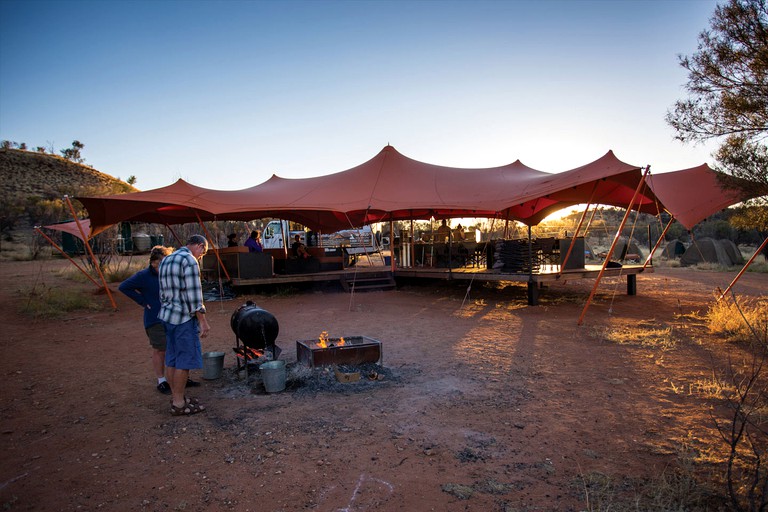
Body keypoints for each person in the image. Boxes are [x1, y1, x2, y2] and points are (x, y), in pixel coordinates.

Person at [119, 245, 204, 395]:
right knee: (161, 349)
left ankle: (182, 381)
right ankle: (161, 380)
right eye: (160, 264)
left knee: (176, 350)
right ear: (153, 263)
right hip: (155, 319)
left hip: (171, 317)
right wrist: (143, 301)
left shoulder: (169, 272)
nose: (163, 266)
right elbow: (124, 287)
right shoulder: (143, 275)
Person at [158, 234, 210, 416]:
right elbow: (194, 294)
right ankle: (179, 404)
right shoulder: (189, 261)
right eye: (202, 253)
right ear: (200, 246)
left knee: (172, 358)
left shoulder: (166, 259)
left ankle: (176, 397)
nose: (200, 257)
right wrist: (202, 321)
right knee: (184, 360)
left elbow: (162, 290)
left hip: (167, 316)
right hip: (182, 319)